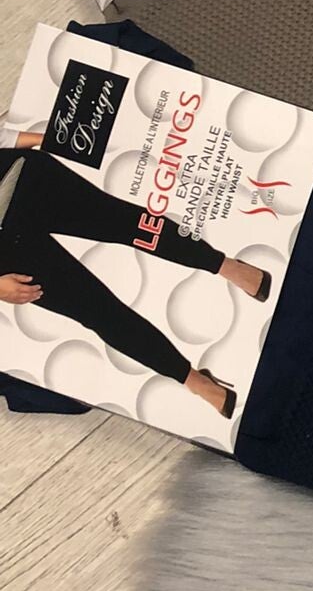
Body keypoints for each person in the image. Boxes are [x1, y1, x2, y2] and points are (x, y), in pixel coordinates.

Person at [0, 135, 271, 419]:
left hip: (19, 177)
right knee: (96, 311)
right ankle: (196, 381)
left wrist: (51, 137)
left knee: (130, 224)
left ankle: (229, 267)